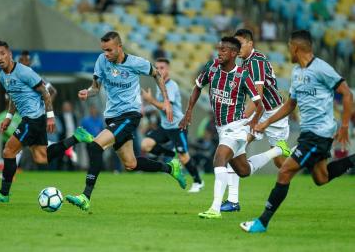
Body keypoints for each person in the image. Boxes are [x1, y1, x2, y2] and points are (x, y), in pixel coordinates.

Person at [241, 30, 355, 233]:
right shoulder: (297, 72)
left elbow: (346, 93)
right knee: (321, 178)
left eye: (289, 47)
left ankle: (262, 222)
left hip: (318, 134)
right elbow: (290, 104)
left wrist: (345, 126)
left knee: (284, 172)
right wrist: (265, 124)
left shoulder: (321, 69)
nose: (288, 52)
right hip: (308, 133)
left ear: (296, 48)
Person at [65, 31, 186, 211]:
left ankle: (85, 196)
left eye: (109, 50)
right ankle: (171, 168)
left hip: (130, 115)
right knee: (131, 164)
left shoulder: (136, 63)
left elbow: (156, 74)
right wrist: (87, 92)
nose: (106, 54)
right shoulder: (101, 61)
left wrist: (166, 101)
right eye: (103, 50)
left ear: (119, 47)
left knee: (95, 146)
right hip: (112, 116)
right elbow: (96, 88)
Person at [179, 37, 285, 219]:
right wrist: (189, 111)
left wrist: (253, 122)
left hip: (235, 127)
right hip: (222, 128)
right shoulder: (211, 68)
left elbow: (259, 103)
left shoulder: (243, 75)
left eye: (224, 50)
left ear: (234, 54)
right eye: (219, 49)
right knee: (244, 171)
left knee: (219, 158)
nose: (219, 53)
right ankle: (277, 150)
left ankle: (214, 208)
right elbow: (197, 87)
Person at [0, 40, 93, 203]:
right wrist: (8, 117)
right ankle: (76, 137)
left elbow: (46, 91)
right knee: (41, 158)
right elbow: (14, 96)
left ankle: (3, 194)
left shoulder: (24, 72)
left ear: (10, 54)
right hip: (33, 119)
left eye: (2, 54)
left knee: (8, 151)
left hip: (33, 119)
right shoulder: (2, 75)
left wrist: (50, 116)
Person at [220, 29, 291, 212]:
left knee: (281, 165)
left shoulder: (256, 61)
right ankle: (233, 201)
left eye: (240, 44)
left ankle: (292, 153)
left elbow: (257, 95)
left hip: (274, 114)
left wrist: (243, 116)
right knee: (234, 146)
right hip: (259, 112)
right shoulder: (244, 63)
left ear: (250, 44)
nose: (237, 49)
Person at [141, 57, 204, 193]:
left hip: (177, 126)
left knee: (184, 156)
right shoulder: (159, 84)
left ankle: (198, 181)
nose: (159, 70)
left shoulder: (171, 85)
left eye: (162, 68)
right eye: (156, 68)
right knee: (146, 144)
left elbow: (166, 107)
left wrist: (150, 100)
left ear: (168, 69)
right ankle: (171, 154)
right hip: (165, 126)